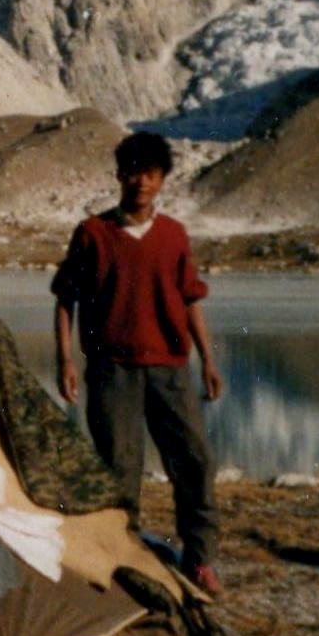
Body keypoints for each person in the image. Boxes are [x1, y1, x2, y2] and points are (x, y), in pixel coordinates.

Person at [51, 130, 224, 594]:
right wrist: (65, 359)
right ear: (119, 177)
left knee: (194, 461)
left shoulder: (173, 236)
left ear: (162, 179)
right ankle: (122, 561)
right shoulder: (93, 233)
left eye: (149, 174)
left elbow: (189, 299)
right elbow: (65, 298)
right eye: (132, 173)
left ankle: (200, 560)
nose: (140, 183)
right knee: (118, 469)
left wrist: (208, 359)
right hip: (112, 371)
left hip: (170, 368)